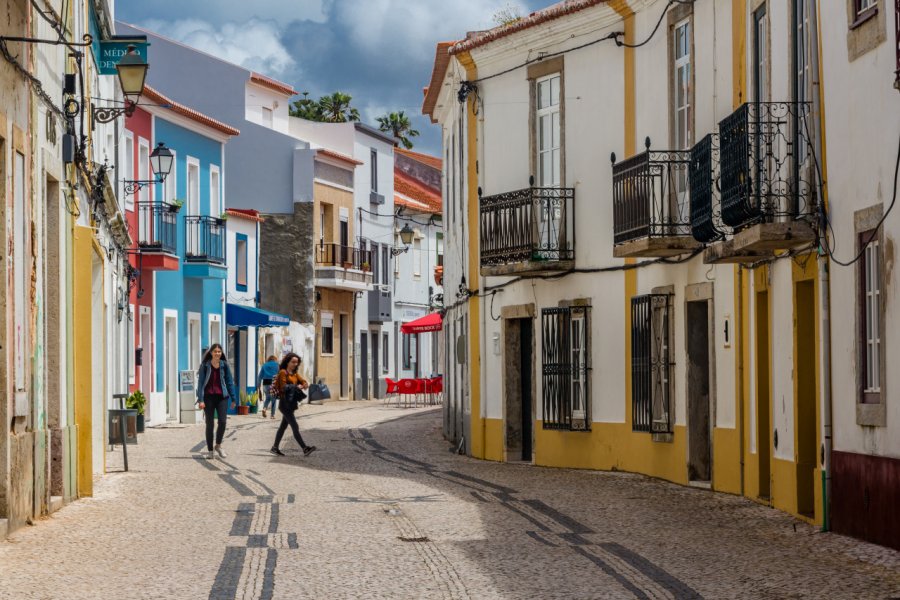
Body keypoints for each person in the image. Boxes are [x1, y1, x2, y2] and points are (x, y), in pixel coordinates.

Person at [270, 352, 317, 457]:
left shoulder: (294, 373)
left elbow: (302, 380)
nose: (295, 364)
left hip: (291, 404)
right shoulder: (283, 372)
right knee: (295, 426)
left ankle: (274, 447)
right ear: (287, 362)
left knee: (283, 427)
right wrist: (296, 387)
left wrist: (305, 384)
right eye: (293, 362)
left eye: (297, 362)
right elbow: (283, 387)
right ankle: (305, 448)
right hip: (284, 404)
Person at [196, 343, 237, 460]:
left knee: (223, 422)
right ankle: (210, 450)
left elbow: (229, 382)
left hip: (222, 397)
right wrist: (201, 399)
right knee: (210, 424)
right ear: (211, 353)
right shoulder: (205, 365)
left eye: (219, 352)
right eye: (215, 351)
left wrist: (234, 398)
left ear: (221, 353)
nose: (217, 353)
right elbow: (201, 384)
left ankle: (218, 445)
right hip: (208, 398)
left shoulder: (224, 365)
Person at [257, 355, 280, 419]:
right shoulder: (277, 365)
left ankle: (264, 408)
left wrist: (258, 385)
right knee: (273, 399)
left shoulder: (264, 365)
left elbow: (260, 376)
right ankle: (272, 415)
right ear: (275, 359)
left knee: (268, 397)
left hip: (265, 384)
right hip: (273, 383)